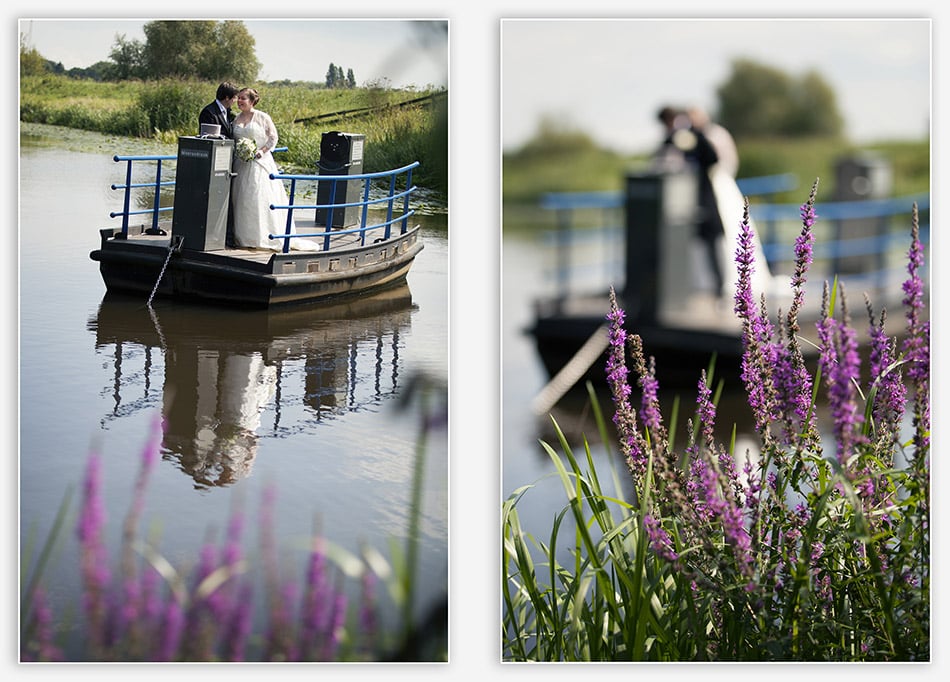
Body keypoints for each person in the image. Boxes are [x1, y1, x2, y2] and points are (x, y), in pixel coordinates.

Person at [229, 87, 316, 251]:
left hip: (259, 163)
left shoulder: (262, 117)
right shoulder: (236, 119)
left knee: (258, 197)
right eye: (238, 98)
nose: (239, 101)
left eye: (243, 98)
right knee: (241, 199)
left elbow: (273, 137)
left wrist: (261, 152)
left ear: (252, 101)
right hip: (241, 164)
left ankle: (263, 237)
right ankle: (243, 237)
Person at [654, 105, 726, 299]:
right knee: (683, 246)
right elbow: (662, 154)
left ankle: (718, 289)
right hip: (682, 203)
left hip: (703, 199)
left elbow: (713, 158)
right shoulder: (675, 138)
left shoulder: (699, 139)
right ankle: (682, 289)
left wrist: (695, 134)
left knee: (711, 244)